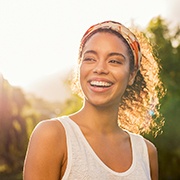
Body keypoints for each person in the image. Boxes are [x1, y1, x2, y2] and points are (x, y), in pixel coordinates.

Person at [23, 20, 164, 180]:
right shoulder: (52, 136)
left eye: (114, 61)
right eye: (90, 59)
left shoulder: (146, 152)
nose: (100, 69)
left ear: (131, 75)